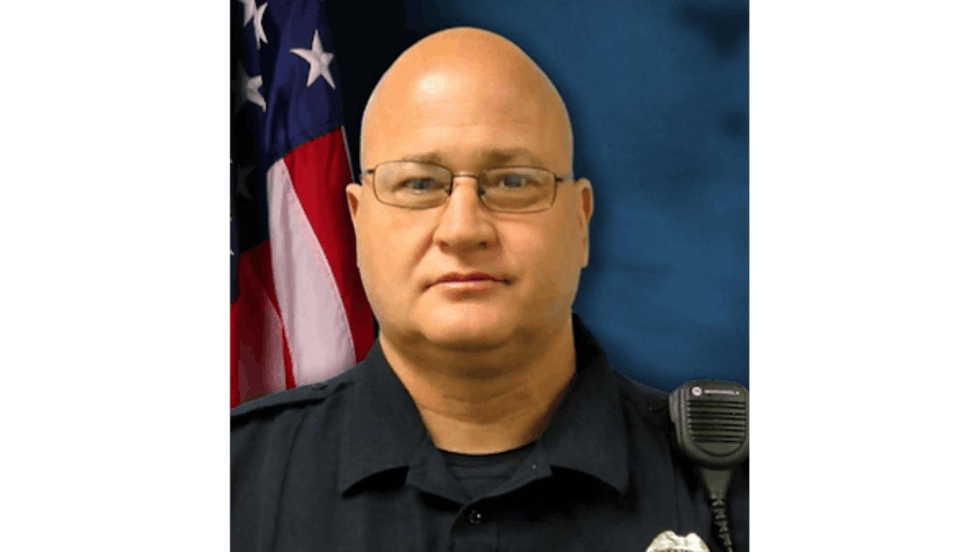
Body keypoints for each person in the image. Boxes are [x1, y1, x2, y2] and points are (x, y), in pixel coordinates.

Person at [231, 27, 748, 552]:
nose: (463, 230)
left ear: (581, 221)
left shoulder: (743, 489)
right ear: (358, 222)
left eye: (513, 182)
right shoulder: (232, 483)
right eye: (418, 183)